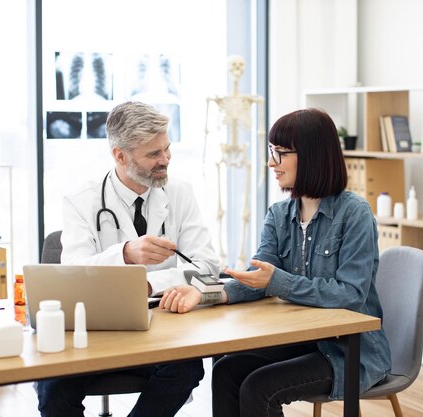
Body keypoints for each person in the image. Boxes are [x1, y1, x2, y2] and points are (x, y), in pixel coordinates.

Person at [160, 108, 392, 417]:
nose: (271, 162)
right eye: (272, 152)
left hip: (347, 352)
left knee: (259, 387)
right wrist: (207, 293)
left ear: (311, 156)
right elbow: (260, 280)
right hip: (301, 340)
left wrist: (277, 281)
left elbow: (349, 295)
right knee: (227, 370)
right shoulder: (278, 215)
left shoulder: (355, 214)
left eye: (280, 153)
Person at [36, 101, 219, 417]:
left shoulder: (180, 193)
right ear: (120, 156)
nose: (165, 161)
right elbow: (71, 273)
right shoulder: (81, 200)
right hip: (93, 331)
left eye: (167, 149)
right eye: (153, 154)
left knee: (187, 369)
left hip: (160, 327)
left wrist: (147, 283)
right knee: (54, 389)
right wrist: (123, 255)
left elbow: (207, 266)